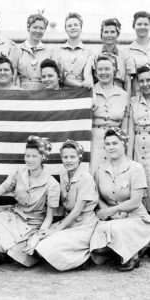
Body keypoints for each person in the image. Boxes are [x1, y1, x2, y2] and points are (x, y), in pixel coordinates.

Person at [0, 136, 60, 267]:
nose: (29, 160)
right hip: (14, 218)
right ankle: (3, 253)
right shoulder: (19, 173)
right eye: (27, 156)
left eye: (34, 156)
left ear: (42, 157)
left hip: (32, 226)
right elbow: (1, 189)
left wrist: (38, 236)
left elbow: (49, 217)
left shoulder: (52, 184)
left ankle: (10, 252)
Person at [90, 128, 150, 271]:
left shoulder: (135, 168)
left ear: (124, 144)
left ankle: (132, 256)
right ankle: (137, 246)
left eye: (115, 143)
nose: (111, 147)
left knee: (115, 228)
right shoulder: (100, 169)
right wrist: (109, 213)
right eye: (108, 144)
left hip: (136, 218)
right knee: (96, 246)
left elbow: (136, 201)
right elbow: (97, 196)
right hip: (111, 217)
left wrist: (114, 210)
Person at [36, 140, 98, 271]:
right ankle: (73, 254)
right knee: (37, 240)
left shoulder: (86, 178)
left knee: (45, 246)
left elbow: (76, 212)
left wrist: (55, 231)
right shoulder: (63, 175)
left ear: (79, 158)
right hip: (68, 222)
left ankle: (83, 259)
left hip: (84, 225)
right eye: (65, 157)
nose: (68, 161)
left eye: (72, 157)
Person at [90, 55, 129, 174]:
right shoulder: (89, 93)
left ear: (115, 71)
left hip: (116, 144)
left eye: (107, 69)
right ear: (95, 72)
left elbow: (125, 127)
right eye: (100, 69)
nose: (103, 73)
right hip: (94, 143)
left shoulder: (124, 95)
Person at [91, 18, 135, 95]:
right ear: (101, 34)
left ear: (117, 34)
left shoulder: (126, 56)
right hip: (99, 93)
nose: (109, 35)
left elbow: (128, 83)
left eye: (112, 32)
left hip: (119, 95)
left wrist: (127, 101)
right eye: (106, 32)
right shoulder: (95, 55)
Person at [128, 65, 150, 212]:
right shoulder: (133, 102)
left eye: (148, 80)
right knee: (141, 182)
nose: (145, 84)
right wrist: (129, 158)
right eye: (141, 81)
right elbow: (129, 130)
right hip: (138, 148)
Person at [51, 12, 93, 89]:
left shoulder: (89, 51)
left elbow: (88, 73)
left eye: (76, 25)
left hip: (81, 92)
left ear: (81, 28)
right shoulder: (57, 50)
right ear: (66, 29)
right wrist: (79, 84)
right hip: (62, 92)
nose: (73, 28)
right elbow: (59, 74)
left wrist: (88, 85)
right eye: (69, 26)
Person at [11, 11, 52, 90]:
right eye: (35, 27)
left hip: (43, 92)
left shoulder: (50, 51)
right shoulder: (17, 49)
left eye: (41, 28)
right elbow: (13, 74)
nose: (38, 31)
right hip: (22, 91)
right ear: (28, 28)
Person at [128, 11, 150, 95]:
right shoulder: (128, 51)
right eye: (139, 24)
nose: (142, 27)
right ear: (134, 26)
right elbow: (128, 80)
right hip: (138, 97)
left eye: (146, 24)